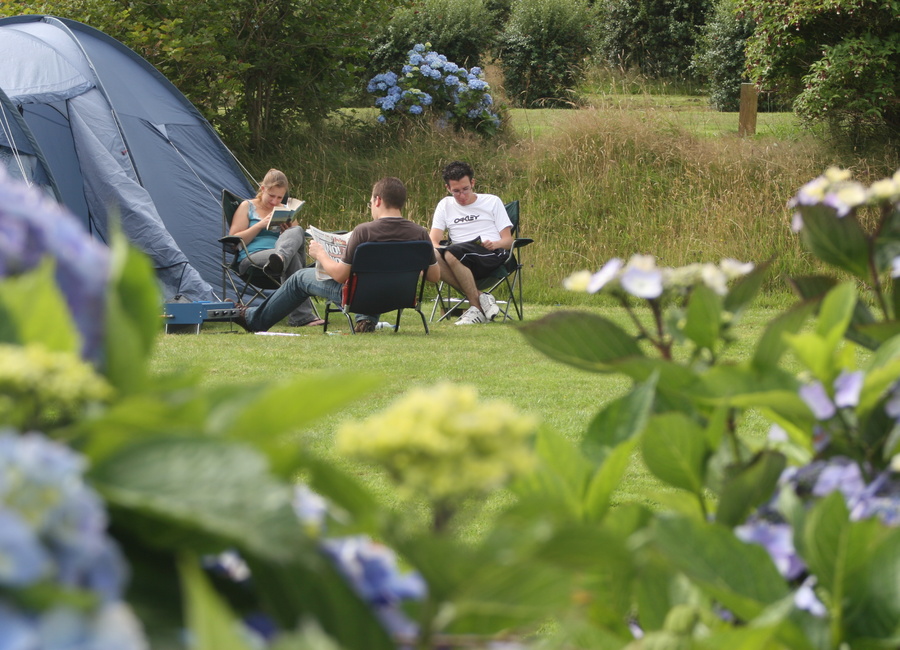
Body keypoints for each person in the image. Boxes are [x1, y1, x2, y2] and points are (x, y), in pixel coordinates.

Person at [233, 177, 439, 333]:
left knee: (298, 278)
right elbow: (434, 276)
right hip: (400, 297)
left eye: (370, 202)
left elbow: (341, 276)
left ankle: (254, 319)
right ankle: (365, 319)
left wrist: (321, 255)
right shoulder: (420, 232)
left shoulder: (364, 231)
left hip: (360, 299)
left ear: (377, 200)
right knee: (373, 277)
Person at [229, 168, 322, 326]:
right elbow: (234, 240)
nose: (274, 201)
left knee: (296, 230)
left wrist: (286, 230)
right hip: (252, 256)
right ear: (263, 189)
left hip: (278, 259)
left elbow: (297, 237)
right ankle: (301, 318)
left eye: (279, 198)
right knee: (292, 258)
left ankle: (280, 258)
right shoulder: (247, 206)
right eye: (271, 196)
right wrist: (260, 225)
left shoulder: (283, 209)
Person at [430, 160, 513, 325]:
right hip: (459, 258)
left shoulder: (492, 201)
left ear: (473, 183)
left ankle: (475, 307)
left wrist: (495, 244)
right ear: (448, 188)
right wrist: (441, 252)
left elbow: (509, 241)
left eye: (465, 189)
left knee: (453, 252)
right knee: (429, 254)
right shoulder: (445, 205)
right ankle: (481, 298)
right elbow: (433, 241)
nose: (462, 196)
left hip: (490, 254)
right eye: (456, 191)